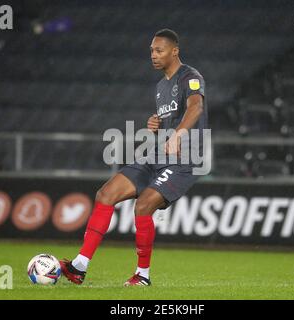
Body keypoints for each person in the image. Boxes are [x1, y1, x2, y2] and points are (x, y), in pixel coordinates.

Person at [60, 28, 209, 286]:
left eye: (159, 50)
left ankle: (142, 275)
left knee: (143, 206)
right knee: (105, 194)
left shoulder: (190, 77)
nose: (153, 55)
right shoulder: (161, 86)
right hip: (157, 154)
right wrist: (158, 125)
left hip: (185, 160)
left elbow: (196, 107)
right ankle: (79, 266)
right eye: (151, 50)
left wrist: (177, 135)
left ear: (175, 51)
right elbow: (171, 119)